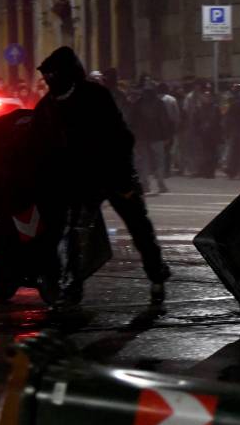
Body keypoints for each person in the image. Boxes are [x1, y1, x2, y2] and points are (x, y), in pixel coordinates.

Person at [33, 47, 171, 308]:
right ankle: (72, 288)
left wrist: (124, 176)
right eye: (47, 76)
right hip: (79, 180)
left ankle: (156, 274)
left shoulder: (95, 96)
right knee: (74, 232)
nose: (51, 81)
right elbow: (42, 149)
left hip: (113, 174)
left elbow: (121, 136)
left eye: (54, 75)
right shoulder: (47, 107)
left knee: (138, 226)